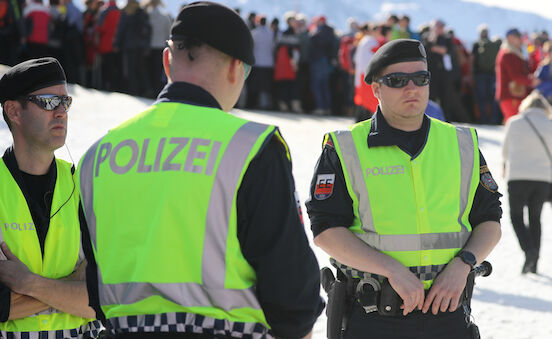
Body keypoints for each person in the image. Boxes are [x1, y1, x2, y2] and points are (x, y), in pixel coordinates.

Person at [77, 2, 323, 338]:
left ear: (167, 61)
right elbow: (291, 290)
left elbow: (94, 279)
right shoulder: (249, 146)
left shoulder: (98, 156)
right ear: (237, 69)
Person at [307, 39, 502, 339]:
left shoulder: (462, 143)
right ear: (376, 89)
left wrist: (463, 265)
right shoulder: (344, 147)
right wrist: (392, 270)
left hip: (448, 317)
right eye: (397, 80)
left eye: (421, 78)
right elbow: (326, 231)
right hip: (373, 319)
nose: (412, 88)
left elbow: (490, 221)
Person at [0, 57, 101, 338]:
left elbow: (105, 297)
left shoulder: (86, 185)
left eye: (65, 102)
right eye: (47, 101)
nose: (60, 112)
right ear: (14, 111)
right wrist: (71, 289)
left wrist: (28, 284)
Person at [502, 91, 552, 274]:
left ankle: (528, 251)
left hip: (517, 177)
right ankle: (535, 262)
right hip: (542, 179)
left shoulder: (513, 122)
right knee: (535, 218)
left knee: (516, 216)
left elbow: (505, 153)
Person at [495, 28, 537, 123]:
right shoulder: (508, 54)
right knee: (515, 124)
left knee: (515, 125)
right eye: (518, 37)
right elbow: (515, 76)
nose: (521, 40)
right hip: (511, 96)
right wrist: (531, 81)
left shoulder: (515, 52)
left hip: (514, 95)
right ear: (510, 38)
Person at [472, 24, 500, 124]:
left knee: (481, 98)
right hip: (492, 75)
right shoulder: (494, 44)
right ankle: (494, 119)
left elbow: (473, 59)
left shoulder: (477, 44)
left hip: (480, 75)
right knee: (492, 98)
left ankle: (483, 118)